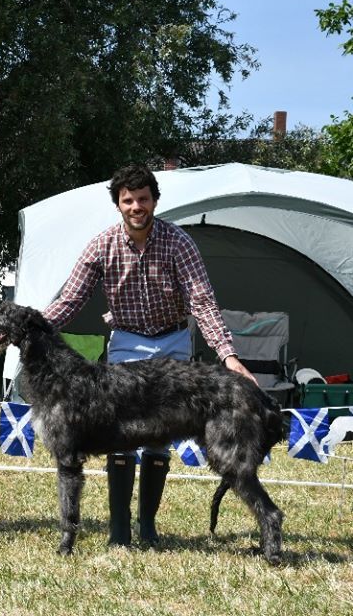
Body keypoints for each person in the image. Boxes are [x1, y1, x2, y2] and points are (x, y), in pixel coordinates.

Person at [41, 163, 256, 547]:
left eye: (143, 199)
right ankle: (119, 531)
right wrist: (31, 327)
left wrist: (227, 356)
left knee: (160, 438)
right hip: (126, 343)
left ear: (154, 201)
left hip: (172, 344)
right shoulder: (101, 245)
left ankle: (149, 526)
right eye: (128, 200)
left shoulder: (179, 243)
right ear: (118, 204)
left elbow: (202, 302)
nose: (136, 206)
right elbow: (70, 300)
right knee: (119, 436)